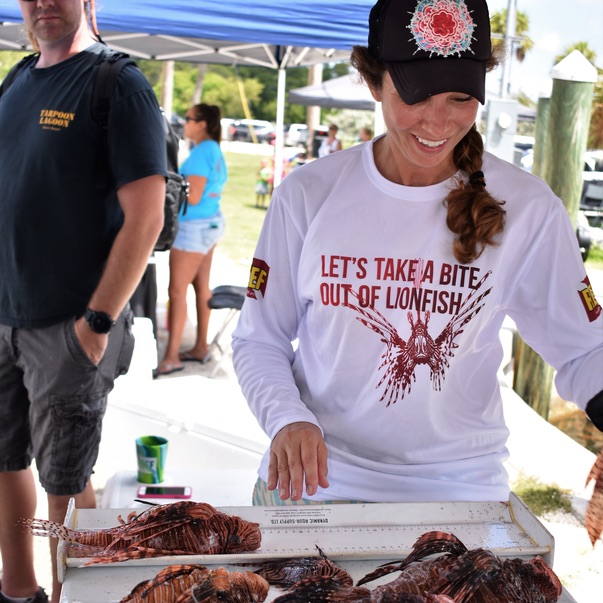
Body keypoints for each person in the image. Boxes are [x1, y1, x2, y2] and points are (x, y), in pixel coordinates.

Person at [232, 0, 603, 508]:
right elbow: (259, 338)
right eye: (417, 95)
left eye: (459, 97)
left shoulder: (528, 207)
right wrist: (287, 418)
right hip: (318, 483)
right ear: (373, 81)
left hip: (460, 489)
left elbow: (583, 347)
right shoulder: (308, 194)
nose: (438, 120)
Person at [0, 1, 166, 602]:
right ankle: (19, 590)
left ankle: (77, 598)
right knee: (6, 461)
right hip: (5, 315)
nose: (43, 3)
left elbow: (146, 217)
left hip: (70, 324)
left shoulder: (116, 83)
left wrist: (96, 323)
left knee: (65, 485)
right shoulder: (17, 79)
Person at [156, 104, 228, 375]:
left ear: (202, 124)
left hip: (193, 228)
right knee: (202, 289)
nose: (183, 123)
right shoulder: (213, 150)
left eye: (188, 119)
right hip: (210, 223)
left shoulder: (200, 154)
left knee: (176, 291)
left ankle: (171, 356)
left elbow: (193, 196)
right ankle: (200, 347)